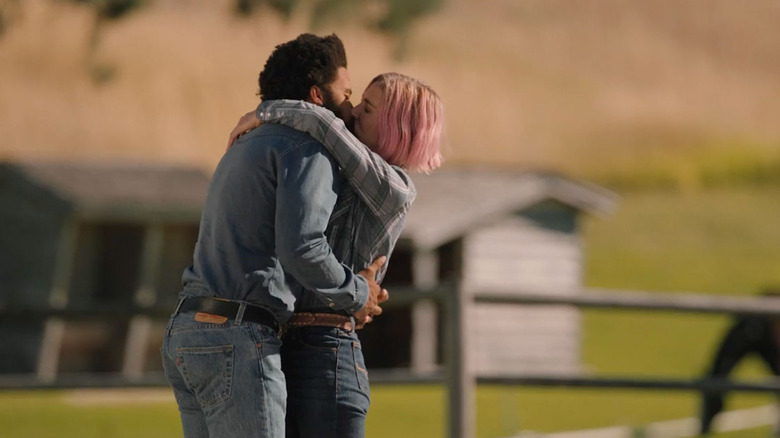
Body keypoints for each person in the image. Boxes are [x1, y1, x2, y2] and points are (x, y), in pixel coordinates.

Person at [161, 33, 388, 438]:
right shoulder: (306, 148)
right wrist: (358, 294)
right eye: (347, 93)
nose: (351, 107)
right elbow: (302, 247)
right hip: (237, 336)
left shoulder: (246, 142)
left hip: (186, 330)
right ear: (318, 96)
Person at [228, 72, 445, 437]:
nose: (354, 111)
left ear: (397, 127)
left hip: (326, 357)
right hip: (291, 346)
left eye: (369, 108)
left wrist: (263, 113)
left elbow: (320, 121)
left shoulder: (393, 187)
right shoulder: (349, 173)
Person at [698, 288, 780, 435]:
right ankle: (706, 423)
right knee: (715, 381)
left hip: (763, 336)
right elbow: (721, 364)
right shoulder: (745, 329)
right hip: (747, 332)